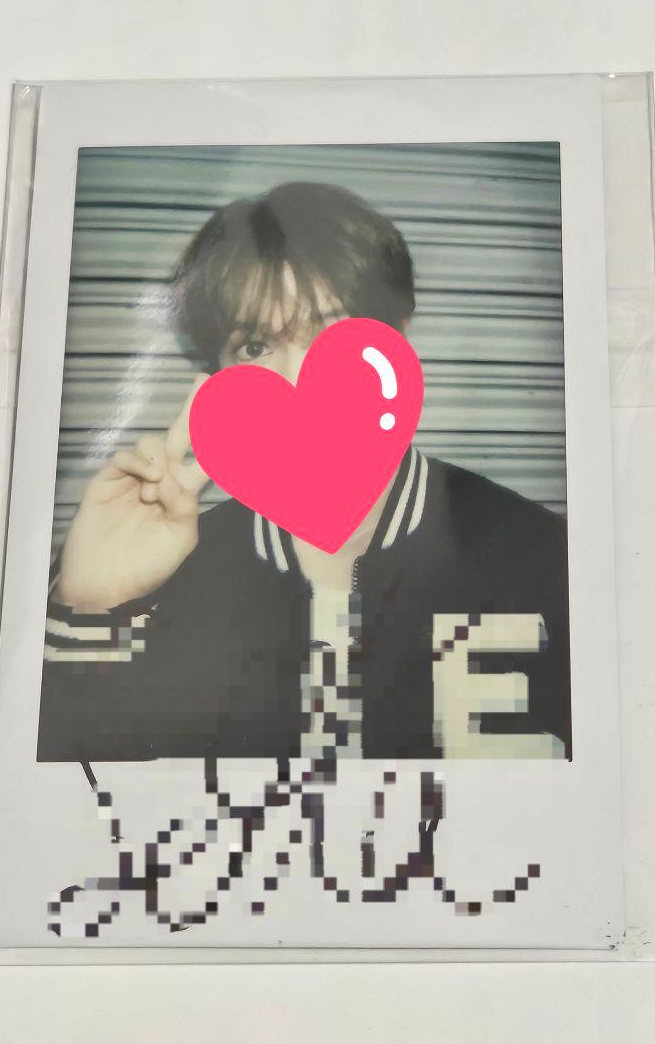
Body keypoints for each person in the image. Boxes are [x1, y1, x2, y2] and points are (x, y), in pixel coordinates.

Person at [38, 181, 571, 762]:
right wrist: (89, 611)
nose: (299, 381)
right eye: (255, 347)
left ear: (399, 337)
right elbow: (78, 796)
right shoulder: (169, 572)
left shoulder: (543, 556)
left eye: (334, 331)